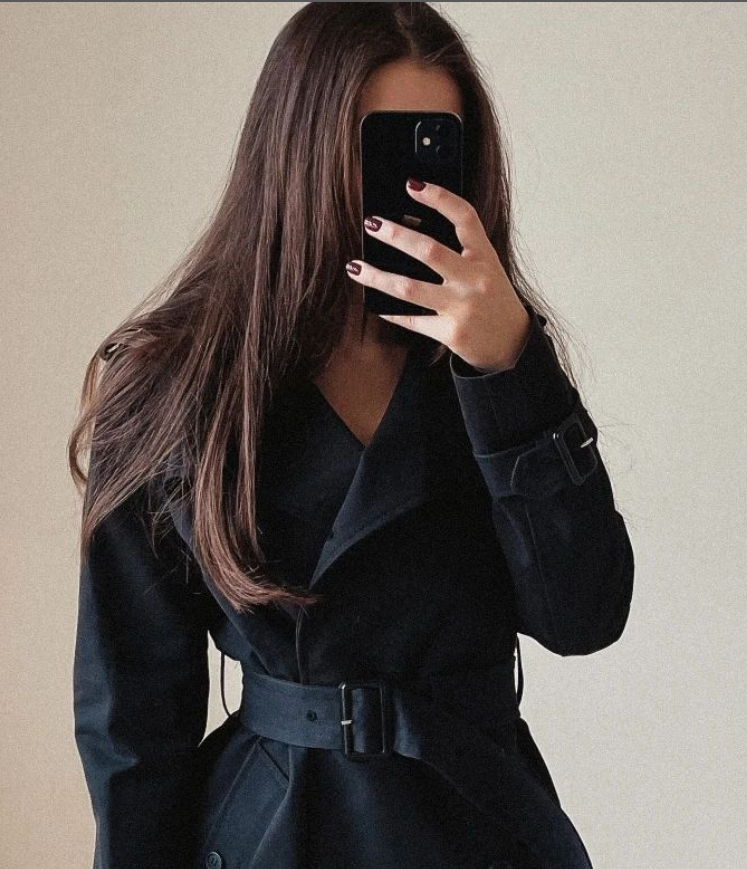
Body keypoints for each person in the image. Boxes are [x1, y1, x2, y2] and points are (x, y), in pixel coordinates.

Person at [69, 4, 635, 869]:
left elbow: (583, 615)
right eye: (375, 148)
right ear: (294, 152)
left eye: (434, 149)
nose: (407, 188)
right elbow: (130, 714)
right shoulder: (179, 378)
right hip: (275, 829)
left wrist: (509, 373)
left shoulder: (498, 362)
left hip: (476, 822)